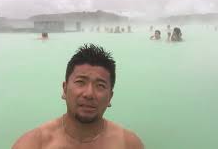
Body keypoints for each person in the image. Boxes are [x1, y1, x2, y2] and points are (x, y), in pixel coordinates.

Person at [12, 44, 144, 149]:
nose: (89, 94)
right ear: (64, 89)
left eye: (100, 85)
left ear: (110, 97)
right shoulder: (33, 144)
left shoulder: (128, 144)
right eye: (80, 82)